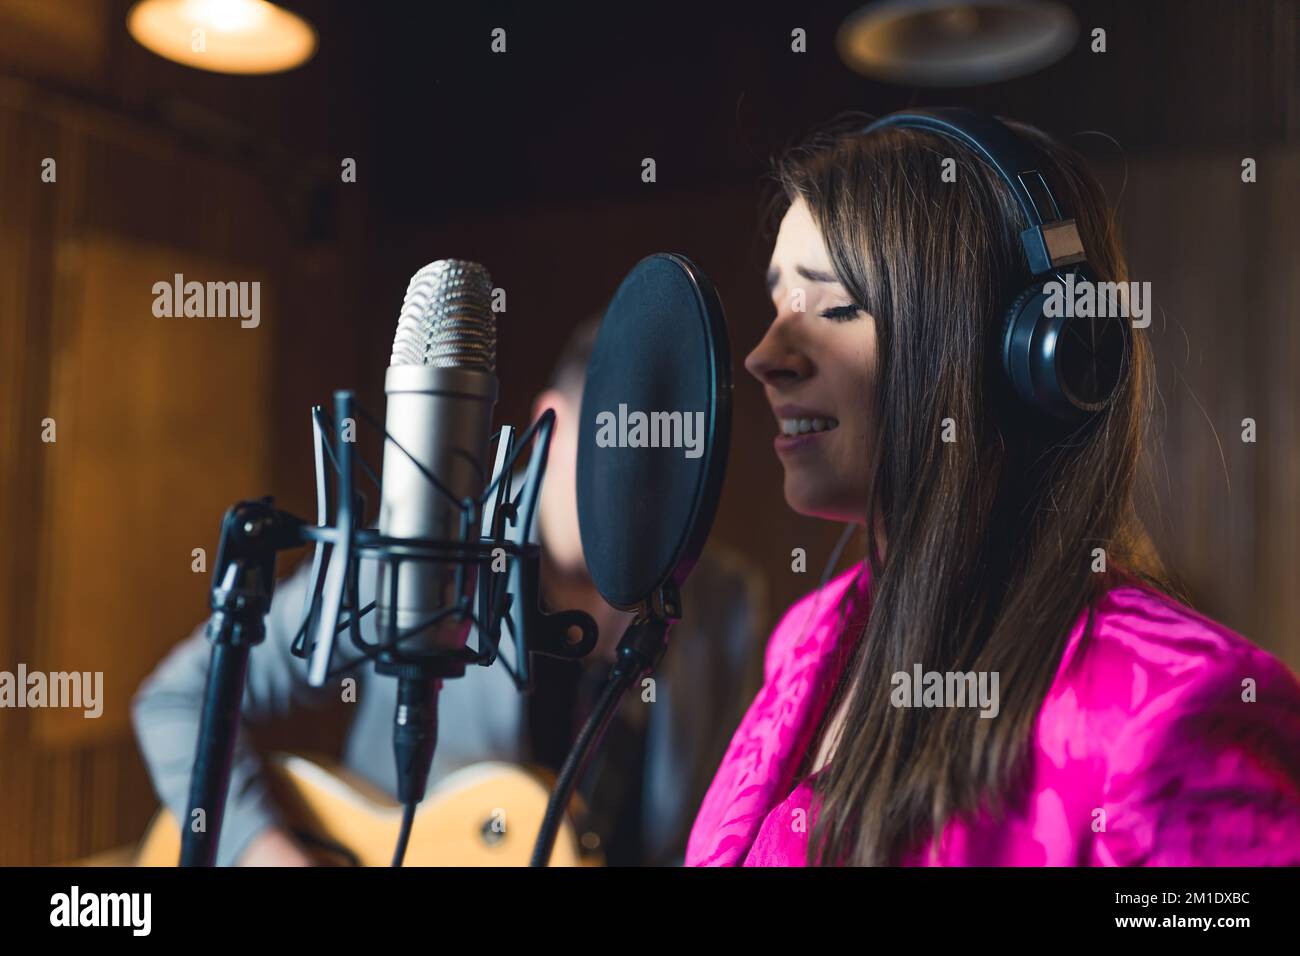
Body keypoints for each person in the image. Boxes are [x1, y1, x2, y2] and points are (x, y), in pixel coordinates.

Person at [686, 110, 1300, 866]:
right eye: (779, 305)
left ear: (1021, 353)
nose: (762, 356)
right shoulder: (807, 638)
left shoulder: (1179, 710)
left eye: (833, 305)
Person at [133, 318, 765, 867]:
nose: (637, 486)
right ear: (551, 424)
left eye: (666, 461)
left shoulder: (727, 603)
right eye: (616, 444)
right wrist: (266, 852)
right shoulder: (416, 556)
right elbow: (176, 700)